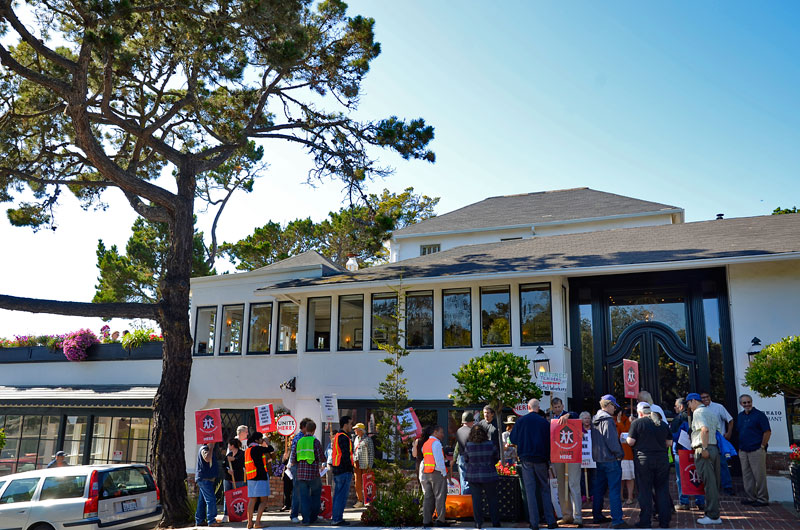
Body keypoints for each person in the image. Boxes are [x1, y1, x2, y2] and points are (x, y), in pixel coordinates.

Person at [510, 398, 557, 530]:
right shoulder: (544, 422)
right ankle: (550, 521)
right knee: (544, 489)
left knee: (529, 491)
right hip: (541, 459)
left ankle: (534, 522)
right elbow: (551, 440)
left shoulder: (521, 421)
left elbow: (513, 438)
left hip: (526, 459)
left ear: (528, 407)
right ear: (538, 407)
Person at [626, 402, 672, 529]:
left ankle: (645, 521)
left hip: (643, 460)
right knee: (662, 490)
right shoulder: (662, 424)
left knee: (645, 491)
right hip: (662, 459)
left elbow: (630, 442)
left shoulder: (637, 423)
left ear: (640, 413)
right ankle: (664, 521)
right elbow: (669, 443)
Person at [591, 394, 628, 529]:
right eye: (614, 406)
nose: (615, 409)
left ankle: (597, 515)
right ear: (607, 405)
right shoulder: (607, 420)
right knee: (614, 489)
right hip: (610, 459)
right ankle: (617, 520)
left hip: (599, 459)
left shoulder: (595, 419)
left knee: (599, 489)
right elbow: (611, 441)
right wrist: (619, 454)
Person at [686, 393, 722, 525]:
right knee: (714, 483)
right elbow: (718, 431)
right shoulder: (711, 412)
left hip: (704, 449)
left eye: (689, 403)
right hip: (714, 448)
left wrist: (705, 448)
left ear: (694, 401)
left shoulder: (698, 412)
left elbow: (704, 429)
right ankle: (714, 513)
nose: (689, 406)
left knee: (709, 483)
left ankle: (712, 515)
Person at [551, 397, 583, 527]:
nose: (558, 409)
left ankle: (578, 516)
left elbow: (577, 416)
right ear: (552, 408)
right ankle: (566, 515)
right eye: (555, 407)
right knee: (561, 486)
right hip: (558, 455)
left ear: (562, 405)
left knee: (574, 484)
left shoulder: (570, 415)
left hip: (572, 454)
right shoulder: (551, 418)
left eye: (559, 407)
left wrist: (568, 415)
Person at [736, 394, 771, 507]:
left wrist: (762, 446)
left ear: (752, 402)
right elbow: (739, 432)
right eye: (744, 403)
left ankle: (762, 499)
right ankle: (751, 497)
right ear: (741, 404)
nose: (747, 404)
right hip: (743, 450)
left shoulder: (759, 415)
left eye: (749, 402)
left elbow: (767, 432)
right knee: (747, 475)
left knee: (759, 475)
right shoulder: (740, 416)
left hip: (756, 450)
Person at [671, 398, 705, 511]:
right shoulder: (698, 416)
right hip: (696, 449)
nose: (675, 408)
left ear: (681, 407)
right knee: (697, 476)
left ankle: (684, 501)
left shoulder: (678, 419)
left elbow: (674, 436)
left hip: (681, 452)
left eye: (676, 406)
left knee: (681, 478)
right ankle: (700, 501)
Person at [465, 424, 500, 529]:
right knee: (492, 499)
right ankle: (495, 522)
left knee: (476, 500)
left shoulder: (469, 445)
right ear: (485, 433)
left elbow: (466, 459)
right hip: (489, 473)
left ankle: (478, 523)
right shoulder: (490, 444)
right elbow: (496, 458)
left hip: (473, 475)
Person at [700, 391, 735, 495]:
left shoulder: (719, 407)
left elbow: (730, 420)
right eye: (703, 397)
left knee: (722, 464)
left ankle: (727, 487)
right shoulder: (699, 410)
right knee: (708, 465)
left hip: (719, 441)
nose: (705, 399)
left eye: (707, 396)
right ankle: (713, 487)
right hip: (706, 441)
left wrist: (729, 433)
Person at [292, 419, 324, 526]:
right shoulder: (315, 441)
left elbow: (293, 459)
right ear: (314, 430)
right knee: (315, 496)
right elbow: (321, 457)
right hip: (313, 473)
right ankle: (313, 517)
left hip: (301, 473)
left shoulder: (299, 441)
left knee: (304, 497)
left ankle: (305, 520)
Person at [420, 424, 449, 528]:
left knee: (428, 498)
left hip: (427, 473)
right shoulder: (436, 443)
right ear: (435, 432)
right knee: (440, 497)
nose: (443, 435)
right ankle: (441, 520)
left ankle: (426, 521)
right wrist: (444, 473)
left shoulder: (426, 444)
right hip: (437, 473)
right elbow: (439, 461)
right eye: (441, 432)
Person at [245, 431, 274, 529]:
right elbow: (270, 449)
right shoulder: (257, 448)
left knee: (252, 499)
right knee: (263, 500)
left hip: (251, 477)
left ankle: (249, 523)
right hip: (260, 476)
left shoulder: (248, 450)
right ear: (257, 440)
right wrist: (267, 442)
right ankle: (257, 523)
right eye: (261, 438)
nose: (262, 440)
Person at [331, 415, 355, 525]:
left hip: (338, 469)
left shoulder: (337, 436)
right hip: (344, 470)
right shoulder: (344, 437)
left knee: (337, 495)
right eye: (350, 424)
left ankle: (336, 518)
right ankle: (337, 519)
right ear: (345, 425)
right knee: (341, 496)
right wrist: (351, 469)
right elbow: (346, 455)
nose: (351, 426)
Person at [288, 418, 310, 523]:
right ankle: (294, 515)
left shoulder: (308, 437)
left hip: (305, 466)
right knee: (297, 491)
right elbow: (294, 453)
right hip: (298, 466)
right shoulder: (299, 438)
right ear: (304, 427)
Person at [195, 442, 222, 527]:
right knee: (211, 499)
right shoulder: (204, 449)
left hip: (205, 479)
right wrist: (210, 448)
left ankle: (200, 520)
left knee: (202, 501)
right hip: (205, 479)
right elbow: (207, 458)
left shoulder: (206, 449)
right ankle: (211, 520)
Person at [615, 408, 635, 506]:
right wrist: (618, 422)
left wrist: (620, 423)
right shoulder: (611, 421)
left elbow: (626, 434)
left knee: (629, 477)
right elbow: (616, 435)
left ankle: (630, 497)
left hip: (627, 453)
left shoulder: (628, 421)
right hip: (617, 454)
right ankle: (620, 496)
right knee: (620, 478)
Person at [223, 438, 246, 522]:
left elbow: (243, 463)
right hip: (228, 478)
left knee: (238, 497)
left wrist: (235, 460)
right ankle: (226, 515)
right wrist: (228, 470)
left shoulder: (241, 454)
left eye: (229, 444)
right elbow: (224, 465)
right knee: (227, 496)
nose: (228, 446)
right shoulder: (228, 454)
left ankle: (238, 515)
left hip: (238, 479)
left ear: (232, 445)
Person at [353, 422, 374, 508]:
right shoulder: (356, 439)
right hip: (356, 463)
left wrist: (370, 465)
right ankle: (360, 500)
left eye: (356, 429)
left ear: (361, 430)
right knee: (357, 482)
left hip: (365, 463)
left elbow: (371, 453)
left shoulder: (368, 440)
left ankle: (368, 500)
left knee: (367, 482)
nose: (355, 430)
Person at [454, 412, 475, 495]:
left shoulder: (459, 431)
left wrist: (454, 458)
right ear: (470, 421)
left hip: (461, 457)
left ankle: (463, 500)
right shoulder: (472, 431)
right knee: (469, 482)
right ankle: (468, 501)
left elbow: (457, 446)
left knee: (463, 480)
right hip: (470, 458)